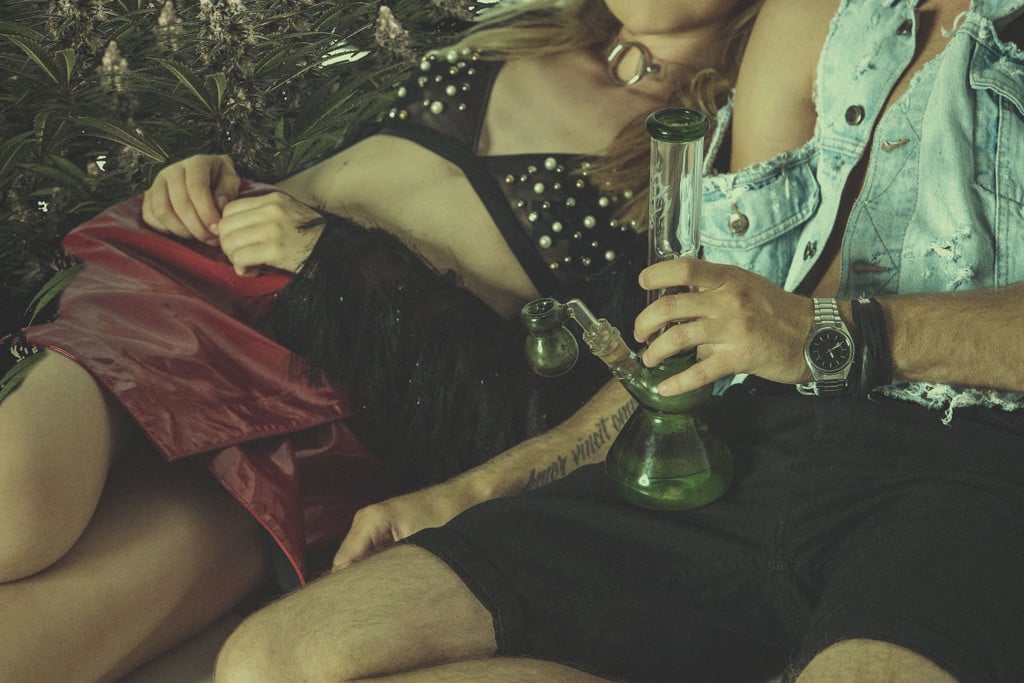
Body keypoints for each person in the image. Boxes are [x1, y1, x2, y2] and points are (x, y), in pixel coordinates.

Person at [214, 0, 1024, 681]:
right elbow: (705, 333)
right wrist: (483, 486)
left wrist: (826, 333)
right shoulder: (814, 15)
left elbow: (786, 330)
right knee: (272, 659)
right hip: (741, 445)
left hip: (971, 468)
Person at [0, 0, 761, 679]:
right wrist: (214, 179)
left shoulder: (712, 164)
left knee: (41, 642)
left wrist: (333, 259)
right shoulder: (524, 29)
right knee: (16, 515)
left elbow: (538, 415)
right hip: (203, 287)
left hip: (317, 412)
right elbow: (350, 177)